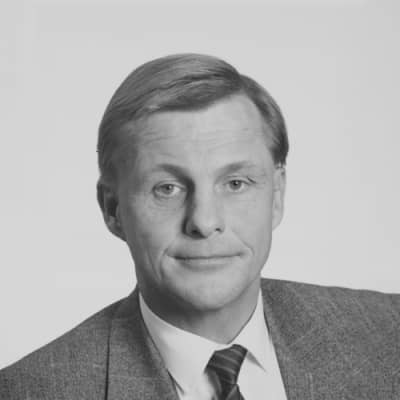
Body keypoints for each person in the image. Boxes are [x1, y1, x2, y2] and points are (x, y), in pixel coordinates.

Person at [1, 53, 399, 400]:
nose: (205, 222)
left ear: (276, 195)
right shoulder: (30, 391)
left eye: (236, 183)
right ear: (112, 209)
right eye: (167, 188)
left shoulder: (389, 336)